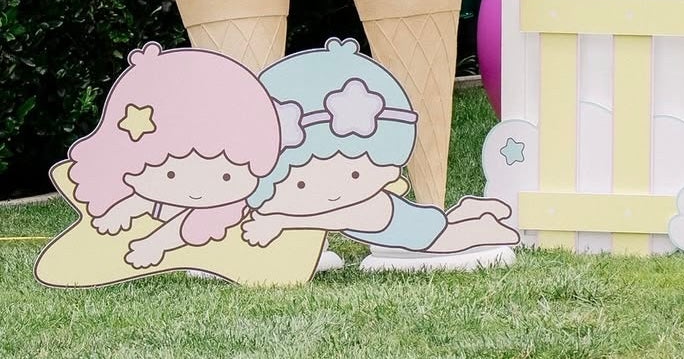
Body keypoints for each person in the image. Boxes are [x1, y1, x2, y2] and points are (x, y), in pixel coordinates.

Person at [246, 39, 518, 270]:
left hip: (419, 234)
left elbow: (331, 217)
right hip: (416, 225)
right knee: (448, 228)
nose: (331, 191)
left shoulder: (363, 206)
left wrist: (279, 220)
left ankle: (485, 226)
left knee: (452, 237)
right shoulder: (355, 199)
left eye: (354, 173)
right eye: (301, 183)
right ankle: (474, 215)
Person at [67, 42, 281, 270]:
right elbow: (145, 198)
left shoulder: (228, 206)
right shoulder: (151, 190)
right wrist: (120, 212)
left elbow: (187, 226)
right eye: (170, 174)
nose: (196, 192)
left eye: (226, 176)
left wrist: (154, 244)